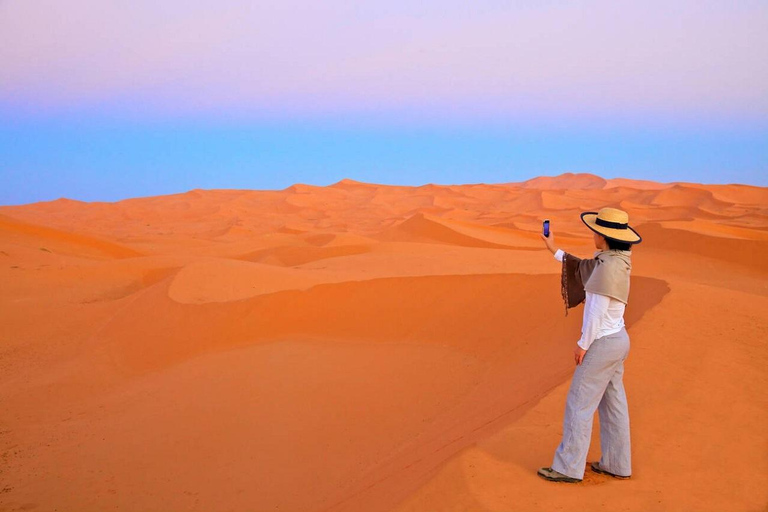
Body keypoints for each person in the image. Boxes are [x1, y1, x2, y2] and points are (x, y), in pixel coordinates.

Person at [537, 207, 642, 483]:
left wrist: (582, 345)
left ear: (603, 237)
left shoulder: (605, 271)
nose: (593, 234)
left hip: (602, 343)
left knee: (579, 403)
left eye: (596, 231)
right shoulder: (617, 261)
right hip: (619, 340)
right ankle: (617, 464)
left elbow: (595, 313)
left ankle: (567, 467)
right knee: (613, 403)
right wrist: (553, 249)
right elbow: (583, 266)